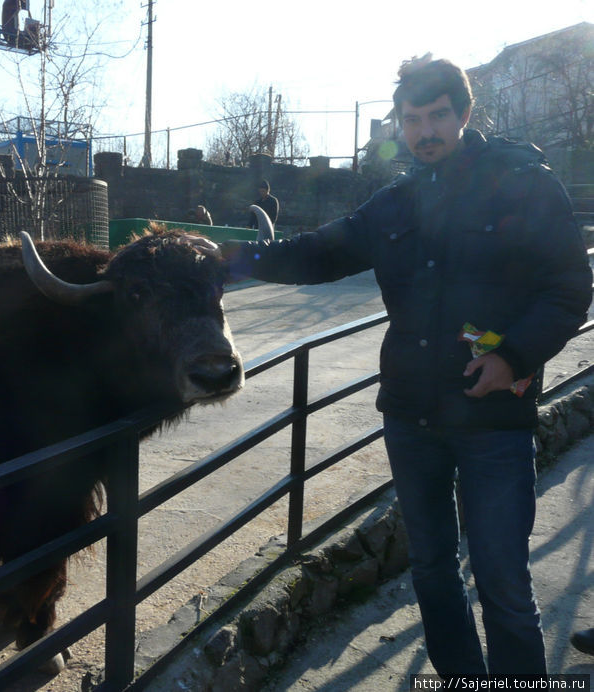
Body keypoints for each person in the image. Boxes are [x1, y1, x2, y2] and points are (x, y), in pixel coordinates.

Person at [220, 55, 593, 676]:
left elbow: (570, 286)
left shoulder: (523, 182)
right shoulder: (392, 203)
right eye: (412, 119)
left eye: (437, 116)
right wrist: (226, 259)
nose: (425, 132)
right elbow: (315, 254)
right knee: (432, 571)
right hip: (412, 417)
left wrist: (514, 357)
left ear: (464, 114)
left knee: (502, 578)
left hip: (494, 418)